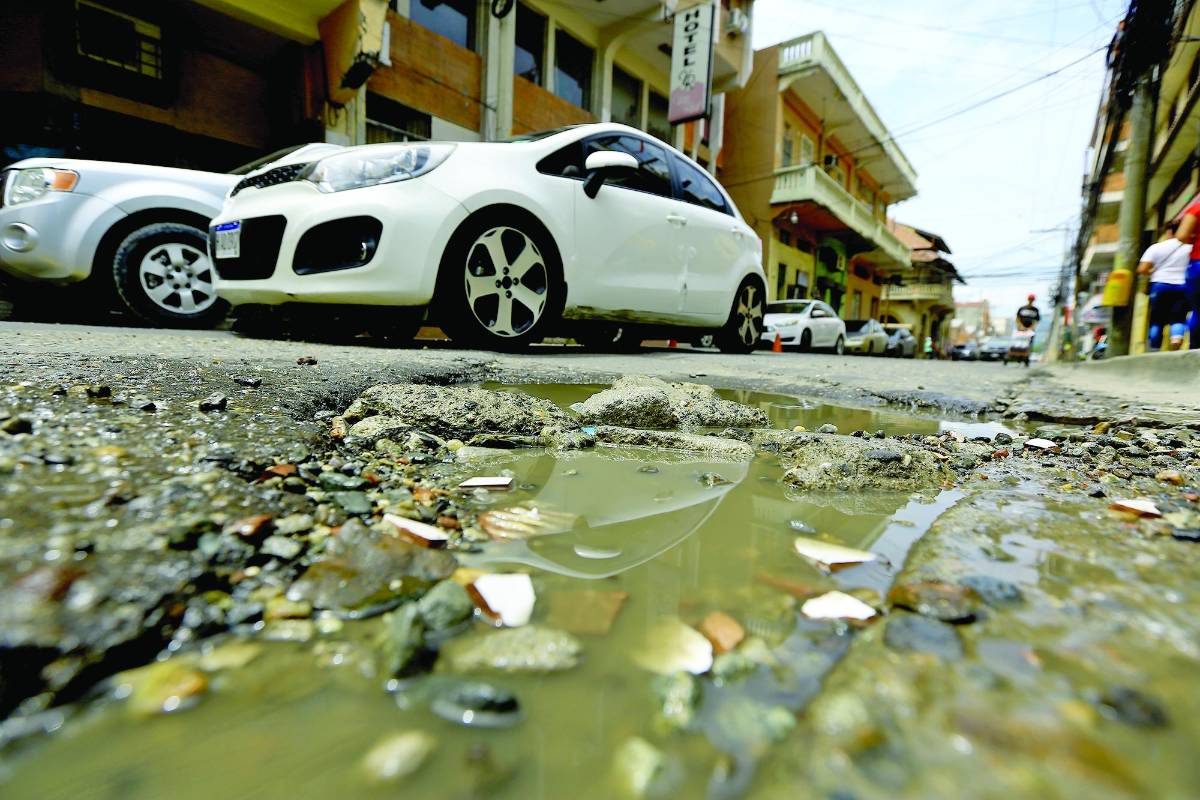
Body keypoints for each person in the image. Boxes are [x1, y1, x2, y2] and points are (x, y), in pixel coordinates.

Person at [1136, 221, 1189, 350]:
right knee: (1179, 316)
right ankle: (1176, 339)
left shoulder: (1156, 247)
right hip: (1182, 286)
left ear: (1169, 231)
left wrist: (1153, 271)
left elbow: (1142, 269)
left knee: (1157, 318)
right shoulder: (1190, 247)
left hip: (1160, 286)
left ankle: (1155, 347)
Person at [1174, 203, 1200, 349]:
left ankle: (1195, 349)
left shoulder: (1197, 208)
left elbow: (1182, 235)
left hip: (1198, 263)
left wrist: (1194, 239)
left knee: (1198, 310)